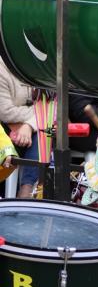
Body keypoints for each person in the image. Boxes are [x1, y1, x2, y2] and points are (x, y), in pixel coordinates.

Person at [0, 61, 38, 198]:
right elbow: (5, 112)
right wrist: (38, 115)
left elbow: (52, 109)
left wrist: (29, 126)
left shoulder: (40, 65)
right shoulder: (1, 69)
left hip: (35, 129)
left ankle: (27, 189)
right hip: (6, 129)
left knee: (45, 133)